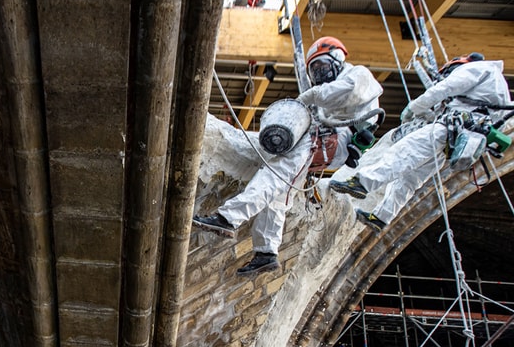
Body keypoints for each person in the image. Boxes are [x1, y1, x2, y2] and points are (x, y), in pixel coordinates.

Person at [193, 37, 383, 274]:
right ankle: (266, 252)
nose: (320, 74)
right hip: (327, 139)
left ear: (337, 58)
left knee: (275, 172)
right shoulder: (328, 96)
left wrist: (310, 97)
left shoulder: (357, 75)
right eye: (315, 70)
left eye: (322, 67)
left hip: (333, 139)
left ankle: (228, 218)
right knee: (280, 192)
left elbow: (344, 93)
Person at [330, 53, 512, 232]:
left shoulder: (475, 68)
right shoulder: (497, 87)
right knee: (411, 179)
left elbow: (445, 88)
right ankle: (381, 217)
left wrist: (414, 107)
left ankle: (362, 183)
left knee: (403, 152)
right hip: (456, 139)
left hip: (448, 129)